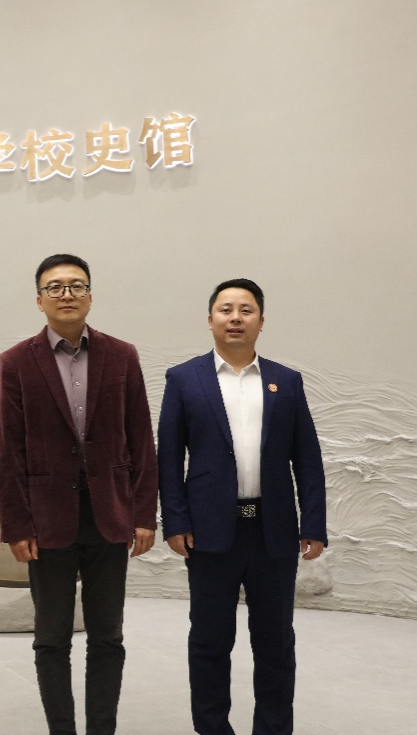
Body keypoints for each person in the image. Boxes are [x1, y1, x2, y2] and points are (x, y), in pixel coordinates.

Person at [0, 253, 158, 735]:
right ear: (39, 300)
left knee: (108, 636)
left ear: (90, 295)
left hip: (111, 514)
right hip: (46, 521)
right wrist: (16, 525)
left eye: (76, 285)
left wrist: (143, 513)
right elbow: (8, 451)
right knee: (51, 638)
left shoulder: (122, 355)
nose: (66, 294)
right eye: (55, 287)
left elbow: (141, 439)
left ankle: (101, 728)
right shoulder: (15, 362)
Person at [158, 278, 327, 735]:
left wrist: (313, 523)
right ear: (210, 319)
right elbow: (169, 457)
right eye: (226, 309)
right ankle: (212, 728)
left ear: (261, 321)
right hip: (209, 532)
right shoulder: (184, 378)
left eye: (246, 310)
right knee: (210, 642)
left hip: (273, 533)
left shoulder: (286, 381)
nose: (235, 318)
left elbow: (307, 459)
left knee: (275, 643)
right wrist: (175, 520)